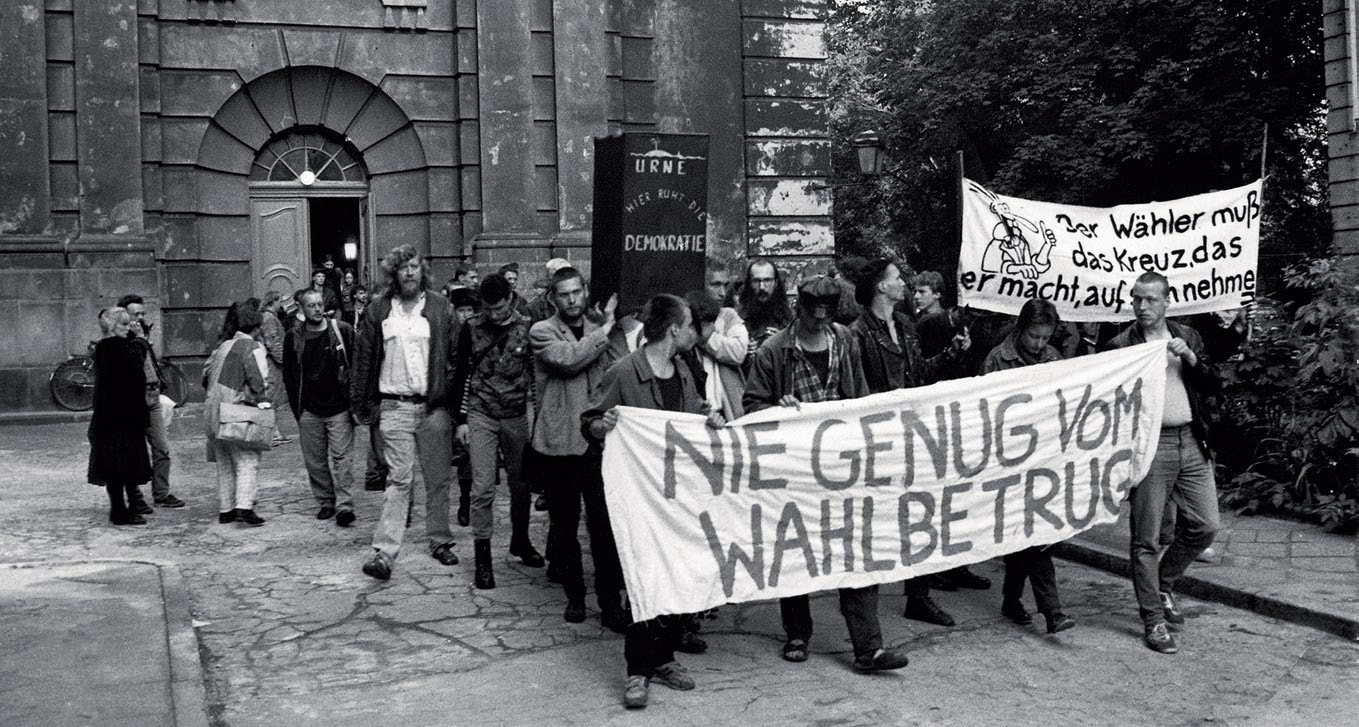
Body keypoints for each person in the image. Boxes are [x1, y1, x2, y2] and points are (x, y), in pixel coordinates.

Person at [744, 276, 910, 674]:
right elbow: (751, 405)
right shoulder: (773, 350)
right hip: (796, 468)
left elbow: (861, 397)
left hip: (842, 465)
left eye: (826, 316)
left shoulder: (845, 341)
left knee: (856, 548)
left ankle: (868, 647)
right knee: (795, 548)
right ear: (798, 309)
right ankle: (797, 633)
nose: (819, 322)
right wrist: (777, 408)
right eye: (812, 315)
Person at [582, 294, 719, 709]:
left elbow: (692, 419)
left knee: (674, 576)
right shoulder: (624, 371)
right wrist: (603, 425)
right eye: (689, 324)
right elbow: (590, 420)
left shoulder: (683, 371)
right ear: (674, 328)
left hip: (675, 496)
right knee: (644, 580)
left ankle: (664, 658)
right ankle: (637, 670)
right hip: (638, 497)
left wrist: (710, 418)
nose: (693, 331)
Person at [1102, 271, 1219, 654]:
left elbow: (1212, 384)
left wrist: (1191, 359)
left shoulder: (1187, 336)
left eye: (1151, 299)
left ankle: (1164, 584)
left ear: (1167, 302)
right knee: (1147, 538)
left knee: (1205, 525)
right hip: (1150, 446)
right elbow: (1108, 399)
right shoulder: (1121, 344)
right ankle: (1153, 619)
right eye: (1136, 298)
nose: (1142, 306)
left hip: (1191, 439)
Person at [849, 259, 969, 627]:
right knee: (872, 520)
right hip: (880, 437)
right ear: (881, 287)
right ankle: (860, 605)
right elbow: (857, 391)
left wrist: (952, 353)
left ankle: (919, 596)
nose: (903, 283)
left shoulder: (904, 325)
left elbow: (919, 374)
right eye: (897, 278)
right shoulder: (858, 333)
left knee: (920, 514)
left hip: (912, 433)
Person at [351, 245, 461, 581]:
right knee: (399, 479)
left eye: (414, 266)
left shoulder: (441, 308)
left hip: (433, 407)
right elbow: (364, 359)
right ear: (394, 274)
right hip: (394, 406)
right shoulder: (379, 310)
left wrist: (451, 401)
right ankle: (384, 554)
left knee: (438, 478)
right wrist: (362, 404)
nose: (410, 272)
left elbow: (456, 358)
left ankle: (440, 541)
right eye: (403, 268)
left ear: (422, 270)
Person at [529, 267, 628, 628]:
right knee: (565, 525)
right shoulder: (541, 331)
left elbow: (620, 367)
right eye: (564, 294)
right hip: (558, 442)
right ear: (553, 298)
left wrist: (609, 329)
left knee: (603, 525)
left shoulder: (598, 329)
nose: (572, 300)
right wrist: (604, 330)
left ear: (585, 292)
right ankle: (575, 596)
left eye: (576, 292)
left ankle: (610, 603)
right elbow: (570, 360)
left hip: (597, 440)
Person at [981, 298, 1077, 634]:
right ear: (1021, 329)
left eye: (1045, 338)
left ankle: (1012, 600)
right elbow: (983, 409)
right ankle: (1052, 611)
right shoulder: (997, 359)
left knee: (1030, 534)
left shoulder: (1054, 358)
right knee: (1032, 534)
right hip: (1008, 461)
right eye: (1034, 336)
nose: (1039, 344)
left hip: (1042, 460)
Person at [453, 273, 545, 589]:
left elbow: (534, 375)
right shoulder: (471, 328)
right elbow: (462, 374)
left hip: (516, 415)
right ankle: (483, 559)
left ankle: (520, 541)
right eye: (489, 308)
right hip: (481, 414)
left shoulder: (527, 326)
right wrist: (461, 420)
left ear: (510, 299)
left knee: (521, 486)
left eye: (500, 308)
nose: (494, 314)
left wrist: (538, 417)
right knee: (482, 488)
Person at [284, 288, 358, 527]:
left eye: (319, 304)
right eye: (311, 305)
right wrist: (298, 409)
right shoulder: (294, 337)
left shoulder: (341, 330)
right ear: (302, 309)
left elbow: (355, 365)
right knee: (315, 461)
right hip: (310, 410)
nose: (317, 309)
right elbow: (289, 376)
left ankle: (344, 506)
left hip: (339, 408)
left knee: (342, 459)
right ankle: (326, 501)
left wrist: (354, 402)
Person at [203, 302, 272, 527]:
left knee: (224, 462)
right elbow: (258, 381)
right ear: (256, 327)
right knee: (248, 459)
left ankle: (226, 510)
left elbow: (206, 376)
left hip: (213, 411)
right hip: (236, 412)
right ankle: (244, 506)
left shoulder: (224, 346)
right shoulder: (252, 347)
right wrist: (263, 404)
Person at [87, 307, 154, 526]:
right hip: (120, 418)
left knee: (116, 467)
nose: (128, 328)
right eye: (124, 324)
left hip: (111, 417)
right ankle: (120, 512)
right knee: (120, 467)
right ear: (112, 327)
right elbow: (135, 365)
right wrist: (141, 339)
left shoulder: (106, 347)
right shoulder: (115, 347)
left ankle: (123, 509)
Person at [116, 294, 185, 510]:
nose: (140, 318)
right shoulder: (121, 339)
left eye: (142, 313)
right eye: (135, 314)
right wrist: (140, 339)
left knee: (161, 448)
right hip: (135, 399)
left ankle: (161, 493)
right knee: (133, 451)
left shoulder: (143, 334)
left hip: (153, 396)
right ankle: (135, 497)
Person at [448, 286, 479, 526]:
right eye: (462, 310)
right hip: (449, 398)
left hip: (473, 399)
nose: (466, 315)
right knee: (460, 452)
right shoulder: (447, 334)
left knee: (470, 453)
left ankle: (468, 500)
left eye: (470, 310)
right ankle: (465, 498)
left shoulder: (477, 332)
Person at [736, 259, 792, 359]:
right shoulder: (736, 318)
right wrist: (742, 350)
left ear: (776, 283)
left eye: (767, 280)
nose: (762, 287)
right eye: (756, 281)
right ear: (749, 284)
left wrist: (783, 343)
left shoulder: (790, 318)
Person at [260, 291, 294, 447]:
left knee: (272, 398)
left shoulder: (269, 317)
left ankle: (274, 433)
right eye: (279, 301)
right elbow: (272, 343)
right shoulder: (269, 318)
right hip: (272, 364)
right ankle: (271, 434)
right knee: (271, 398)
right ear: (273, 301)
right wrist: (284, 360)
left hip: (272, 363)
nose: (281, 304)